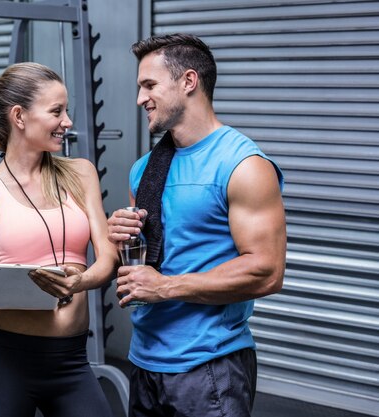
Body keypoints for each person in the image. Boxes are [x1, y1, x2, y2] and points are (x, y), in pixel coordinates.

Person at [107, 33, 287, 417]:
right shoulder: (146, 169)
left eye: (149, 85)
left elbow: (267, 272)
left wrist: (166, 287)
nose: (140, 99)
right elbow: (150, 261)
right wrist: (121, 235)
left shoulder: (243, 165)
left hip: (208, 365)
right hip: (144, 360)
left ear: (188, 81)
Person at [0, 62, 118, 417]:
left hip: (72, 361)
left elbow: (108, 259)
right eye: (57, 111)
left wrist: (79, 281)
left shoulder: (80, 174)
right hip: (5, 364)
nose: (68, 121)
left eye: (66, 110)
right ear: (20, 116)